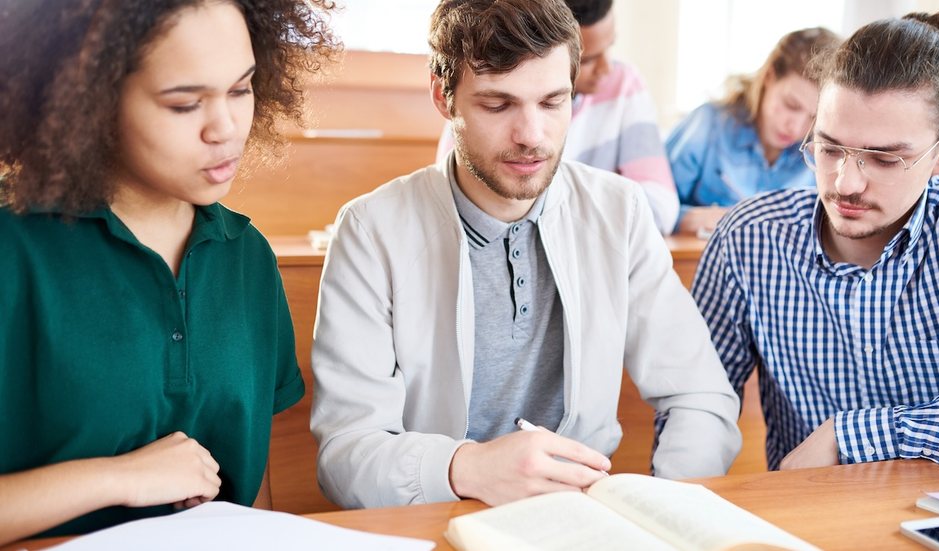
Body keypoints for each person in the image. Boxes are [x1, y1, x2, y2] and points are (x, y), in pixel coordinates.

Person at [310, 0, 740, 510]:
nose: (532, 137)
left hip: (582, 519)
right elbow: (346, 454)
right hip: (433, 519)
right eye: (497, 105)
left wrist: (665, 512)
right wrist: (468, 469)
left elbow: (701, 396)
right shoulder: (369, 229)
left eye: (554, 102)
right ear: (442, 97)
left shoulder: (619, 210)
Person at [0, 0, 338, 543]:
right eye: (184, 104)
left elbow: (253, 492)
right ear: (91, 101)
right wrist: (120, 478)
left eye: (240, 89)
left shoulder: (247, 254)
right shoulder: (13, 250)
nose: (226, 129)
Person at [691, 11, 939, 470]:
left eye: (884, 159)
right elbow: (698, 400)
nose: (845, 183)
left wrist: (847, 434)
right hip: (806, 529)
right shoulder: (748, 238)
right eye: (828, 148)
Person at [433, 0, 681, 234]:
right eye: (588, 59)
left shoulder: (624, 84)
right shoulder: (471, 104)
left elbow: (659, 206)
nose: (607, 69)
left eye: (552, 102)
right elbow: (463, 202)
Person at [668, 27, 840, 236]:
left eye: (814, 117)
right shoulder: (708, 125)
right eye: (791, 105)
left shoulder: (819, 153)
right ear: (769, 76)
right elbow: (651, 205)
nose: (796, 127)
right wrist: (687, 218)